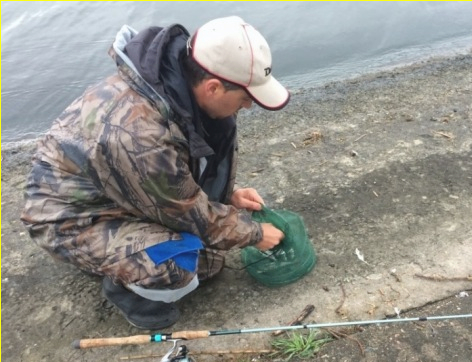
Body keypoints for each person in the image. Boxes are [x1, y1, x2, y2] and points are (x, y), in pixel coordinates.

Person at [21, 16, 288, 330]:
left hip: (119, 190)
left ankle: (118, 252)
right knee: (181, 265)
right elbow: (190, 212)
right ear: (213, 87)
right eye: (245, 98)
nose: (248, 106)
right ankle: (127, 292)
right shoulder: (141, 135)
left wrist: (229, 195)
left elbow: (174, 175)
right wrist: (255, 234)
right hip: (69, 219)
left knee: (210, 257)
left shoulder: (175, 92)